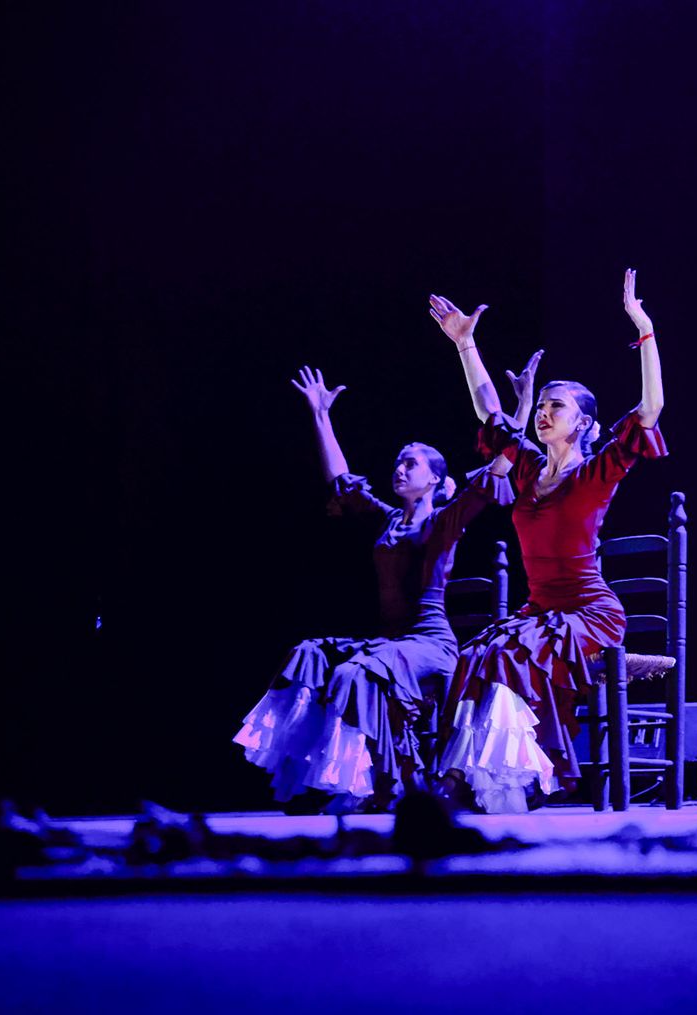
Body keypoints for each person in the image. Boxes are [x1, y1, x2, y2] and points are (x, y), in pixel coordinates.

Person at [232, 365, 530, 810]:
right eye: (397, 461)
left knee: (357, 672)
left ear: (433, 478)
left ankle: (390, 782)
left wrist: (521, 410)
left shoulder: (444, 521)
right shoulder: (388, 520)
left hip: (430, 644)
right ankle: (335, 780)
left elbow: (499, 466)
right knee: (310, 654)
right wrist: (320, 415)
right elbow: (340, 482)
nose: (400, 468)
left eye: (411, 462)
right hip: (390, 645)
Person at [426, 268, 667, 812]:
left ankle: (516, 783)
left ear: (582, 423)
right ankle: (479, 778)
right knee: (479, 654)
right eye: (542, 404)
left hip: (588, 612)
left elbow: (649, 412)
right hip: (540, 611)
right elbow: (490, 412)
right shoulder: (529, 469)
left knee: (512, 653)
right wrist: (466, 345)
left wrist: (643, 329)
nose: (542, 411)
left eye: (556, 406)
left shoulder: (599, 470)